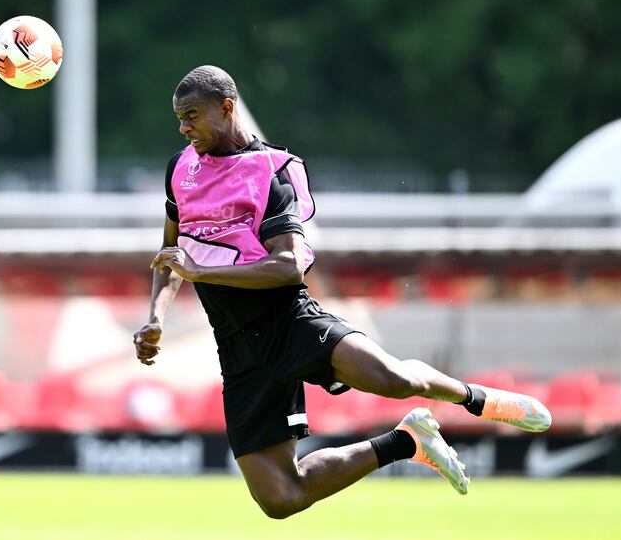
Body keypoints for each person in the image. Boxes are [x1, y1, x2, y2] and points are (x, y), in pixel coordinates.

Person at [134, 65, 551, 519]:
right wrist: (156, 317)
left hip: (290, 321)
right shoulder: (180, 169)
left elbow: (289, 267)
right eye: (179, 118)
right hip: (237, 350)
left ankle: (477, 399)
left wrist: (199, 272)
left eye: (192, 115)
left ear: (227, 108)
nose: (183, 127)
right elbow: (171, 253)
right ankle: (407, 442)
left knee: (395, 380)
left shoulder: (270, 172)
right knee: (280, 498)